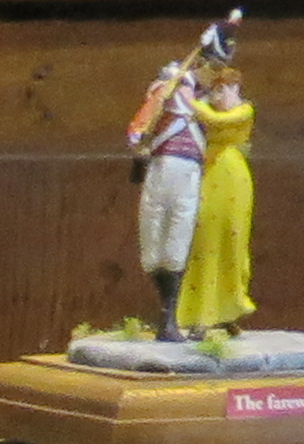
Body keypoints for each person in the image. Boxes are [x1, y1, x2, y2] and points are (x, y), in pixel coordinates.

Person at [174, 23, 259, 340]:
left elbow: (215, 120)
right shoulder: (205, 106)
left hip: (232, 178)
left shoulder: (244, 111)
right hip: (208, 175)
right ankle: (195, 313)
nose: (220, 96)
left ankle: (227, 311)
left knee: (230, 241)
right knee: (202, 240)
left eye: (226, 90)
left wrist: (186, 99)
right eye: (216, 90)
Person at [128, 49, 211, 343]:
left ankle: (170, 317)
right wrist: (140, 148)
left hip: (188, 173)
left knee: (177, 242)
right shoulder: (161, 102)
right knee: (154, 247)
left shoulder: (204, 108)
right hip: (162, 168)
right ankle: (166, 314)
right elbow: (139, 131)